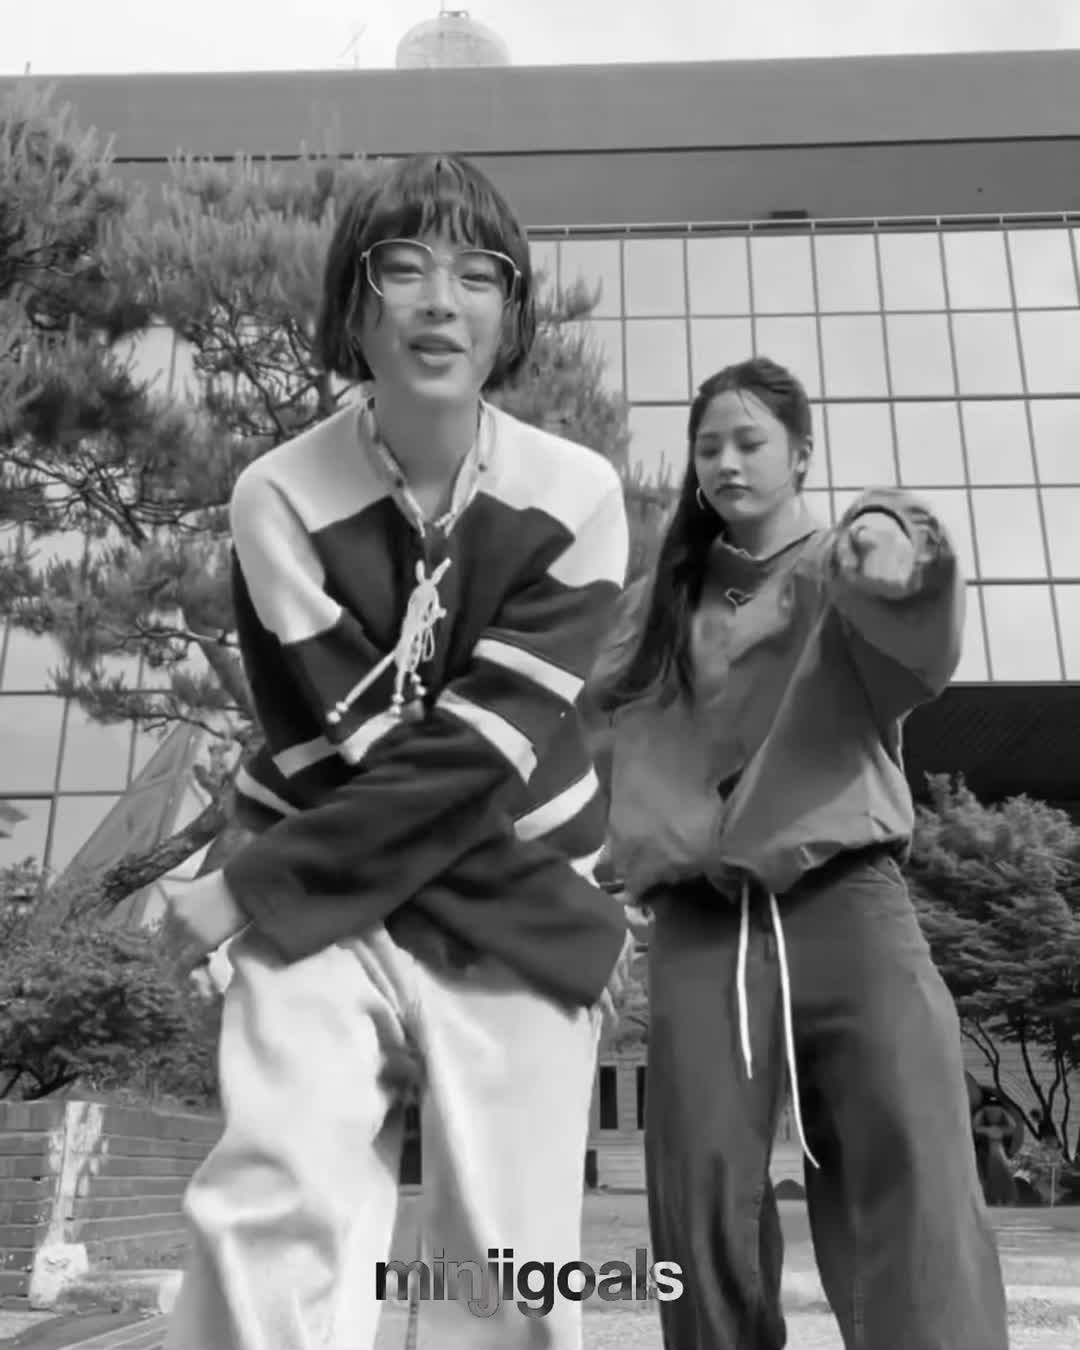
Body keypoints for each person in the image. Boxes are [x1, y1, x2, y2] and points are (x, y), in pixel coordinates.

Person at [161, 153, 631, 1350]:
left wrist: (244, 889)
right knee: (268, 1213)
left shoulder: (576, 496)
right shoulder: (278, 494)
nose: (439, 302)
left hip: (491, 892)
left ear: (511, 315)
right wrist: (574, 924)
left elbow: (477, 755)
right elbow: (345, 746)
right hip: (351, 890)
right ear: (353, 305)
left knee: (507, 1278)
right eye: (403, 267)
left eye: (479, 275)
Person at [586, 356, 1009, 1350]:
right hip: (701, 928)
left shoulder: (840, 569)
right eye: (708, 448)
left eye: (750, 442)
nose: (726, 463)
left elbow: (917, 629)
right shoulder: (650, 612)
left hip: (847, 904)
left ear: (802, 454)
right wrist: (597, 898)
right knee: (701, 1193)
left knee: (912, 1159)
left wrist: (894, 538)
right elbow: (594, 757)